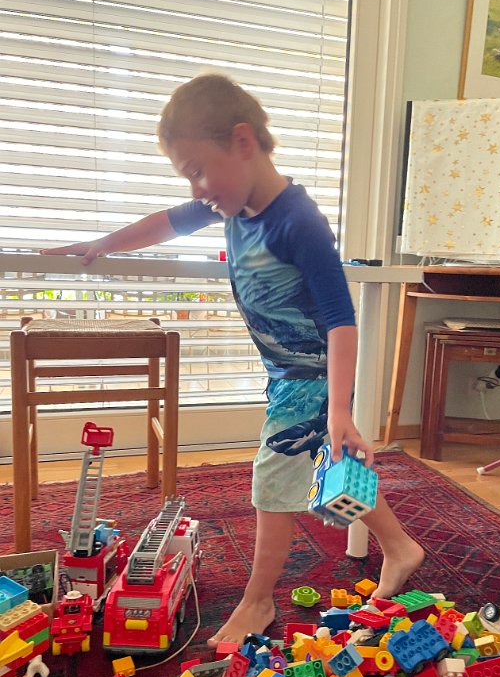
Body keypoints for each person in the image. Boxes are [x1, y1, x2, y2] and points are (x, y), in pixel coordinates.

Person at [42, 73, 425, 647]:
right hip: (287, 373)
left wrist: (340, 409)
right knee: (331, 470)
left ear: (243, 142)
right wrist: (102, 244)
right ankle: (399, 545)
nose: (196, 188)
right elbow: (167, 221)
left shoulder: (297, 221)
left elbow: (341, 317)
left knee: (273, 479)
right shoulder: (231, 204)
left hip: (311, 375)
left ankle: (257, 600)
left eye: (198, 169)